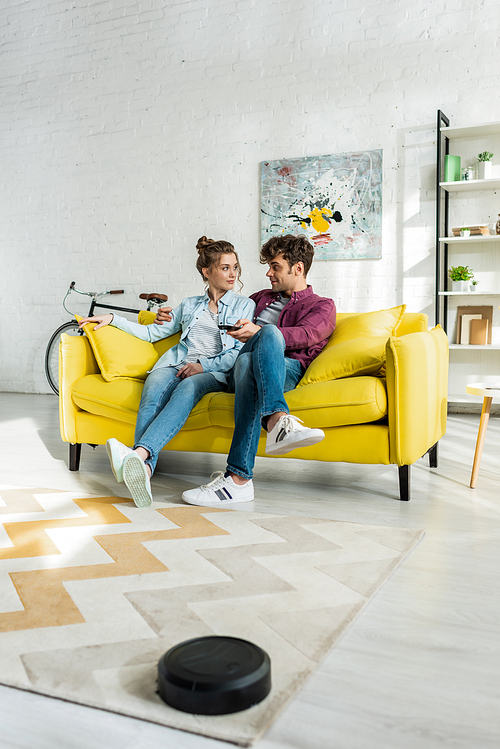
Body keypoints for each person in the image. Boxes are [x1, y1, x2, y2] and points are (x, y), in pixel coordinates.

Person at [155, 234, 336, 507]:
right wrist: (171, 318)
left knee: (259, 348)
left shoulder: (321, 305)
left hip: (282, 369)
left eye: (275, 266)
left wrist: (261, 332)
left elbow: (307, 334)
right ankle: (276, 423)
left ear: (297, 268)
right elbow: (215, 307)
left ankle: (238, 480)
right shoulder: (258, 299)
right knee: (245, 360)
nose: (268, 273)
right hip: (236, 368)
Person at [78, 236, 255, 508]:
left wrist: (202, 366)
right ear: (207, 272)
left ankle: (137, 456)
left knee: (187, 388)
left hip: (212, 372)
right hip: (175, 363)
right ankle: (145, 471)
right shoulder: (189, 305)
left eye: (235, 268)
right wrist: (113, 319)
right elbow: (152, 333)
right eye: (225, 268)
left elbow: (236, 352)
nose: (232, 274)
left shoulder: (245, 306)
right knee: (153, 391)